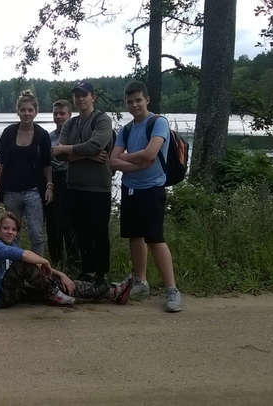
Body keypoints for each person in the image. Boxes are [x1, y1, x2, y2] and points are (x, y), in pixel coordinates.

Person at [110, 80, 182, 312]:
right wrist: (136, 163)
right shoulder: (126, 129)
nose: (134, 105)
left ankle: (172, 290)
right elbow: (112, 161)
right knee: (134, 236)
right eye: (130, 101)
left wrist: (126, 158)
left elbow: (151, 154)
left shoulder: (158, 122)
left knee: (155, 238)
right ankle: (140, 282)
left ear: (147, 100)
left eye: (138, 100)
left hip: (152, 188)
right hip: (130, 188)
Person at [0, 212, 131, 309]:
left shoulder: (7, 245)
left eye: (13, 229)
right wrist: (46, 262)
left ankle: (112, 292)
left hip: (10, 291)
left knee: (62, 283)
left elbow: (33, 260)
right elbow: (25, 256)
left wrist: (60, 274)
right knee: (24, 263)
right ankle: (53, 293)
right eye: (6, 228)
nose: (10, 232)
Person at [51, 81, 115, 286]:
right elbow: (58, 154)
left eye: (84, 95)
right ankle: (87, 271)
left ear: (92, 97)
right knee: (81, 232)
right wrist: (87, 155)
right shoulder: (70, 124)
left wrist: (69, 150)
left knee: (99, 231)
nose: (80, 99)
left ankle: (101, 275)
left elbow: (96, 144)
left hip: (98, 186)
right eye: (77, 96)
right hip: (74, 186)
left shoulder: (102, 120)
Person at [0, 90, 52, 255]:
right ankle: (13, 265)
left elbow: (47, 164)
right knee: (10, 235)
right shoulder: (8, 132)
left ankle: (38, 267)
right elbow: (1, 163)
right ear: (18, 111)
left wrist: (49, 186)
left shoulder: (42, 135)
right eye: (23, 110)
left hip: (34, 191)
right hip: (11, 192)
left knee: (36, 234)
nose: (26, 113)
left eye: (30, 110)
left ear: (36, 112)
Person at [45, 99, 80, 268]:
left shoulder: (76, 136)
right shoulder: (49, 137)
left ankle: (74, 264)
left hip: (72, 180)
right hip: (53, 181)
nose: (58, 117)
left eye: (62, 114)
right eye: (55, 114)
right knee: (53, 223)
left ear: (69, 115)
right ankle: (56, 262)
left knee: (71, 224)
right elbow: (46, 162)